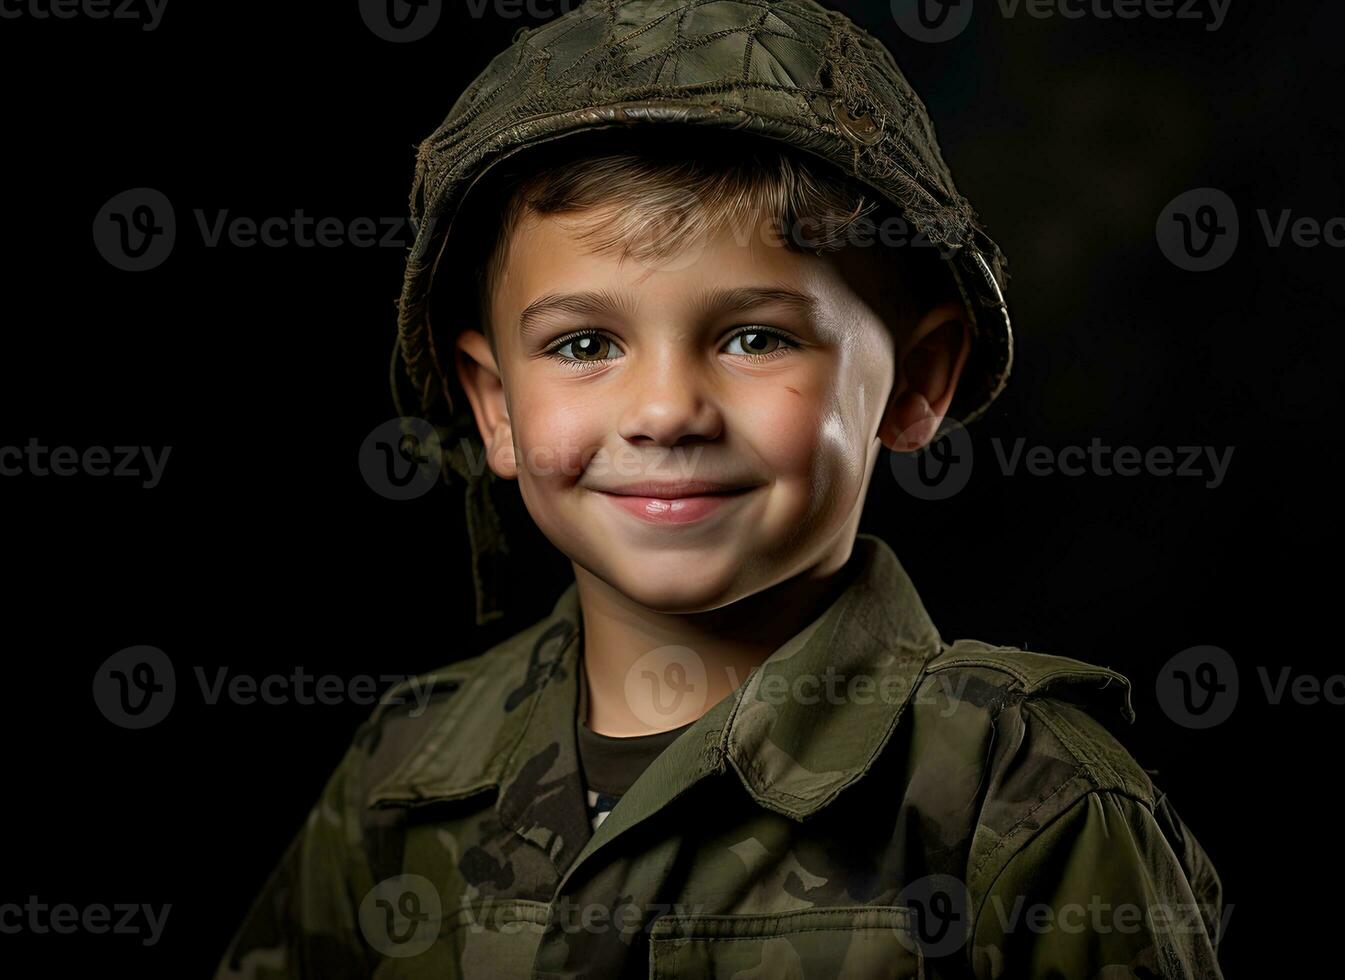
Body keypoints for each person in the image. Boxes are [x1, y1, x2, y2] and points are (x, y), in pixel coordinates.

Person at [216, 1, 1224, 976]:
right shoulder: (404, 772)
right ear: (496, 407)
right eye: (584, 344)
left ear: (916, 383)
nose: (666, 410)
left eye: (756, 337)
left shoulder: (1021, 801)